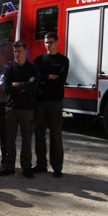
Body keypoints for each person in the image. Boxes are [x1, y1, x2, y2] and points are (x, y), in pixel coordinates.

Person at [33, 33, 69, 178]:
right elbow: (34, 78)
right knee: (39, 134)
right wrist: (48, 77)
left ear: (57, 42)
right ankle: (41, 164)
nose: (49, 45)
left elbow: (61, 81)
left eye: (51, 42)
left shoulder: (63, 60)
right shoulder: (39, 59)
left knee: (56, 135)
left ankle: (57, 166)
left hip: (55, 102)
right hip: (40, 101)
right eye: (46, 42)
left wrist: (44, 80)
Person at [1, 40, 39, 178]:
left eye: (19, 51)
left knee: (26, 140)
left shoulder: (32, 68)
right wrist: (24, 86)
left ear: (25, 52)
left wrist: (18, 84)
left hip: (27, 110)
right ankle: (9, 166)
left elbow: (34, 86)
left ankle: (26, 168)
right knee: (9, 139)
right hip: (11, 109)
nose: (17, 54)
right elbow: (6, 88)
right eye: (15, 51)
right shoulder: (9, 69)